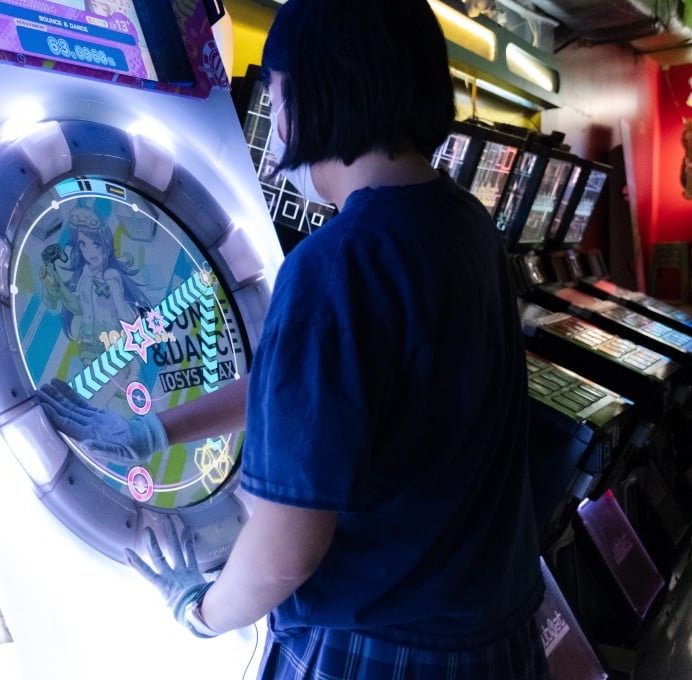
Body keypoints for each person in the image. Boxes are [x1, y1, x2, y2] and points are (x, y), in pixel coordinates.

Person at [39, 0, 548, 677]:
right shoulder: (465, 227)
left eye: (276, 94)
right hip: (490, 638)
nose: (274, 128)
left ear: (320, 91)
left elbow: (284, 550)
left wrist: (200, 610)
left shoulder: (339, 262)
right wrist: (156, 431)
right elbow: (318, 386)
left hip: (379, 648)